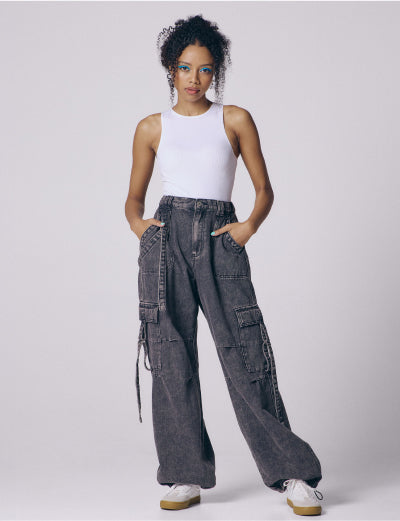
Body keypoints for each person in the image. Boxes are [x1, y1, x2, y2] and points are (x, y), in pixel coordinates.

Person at [125, 14, 324, 516]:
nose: (194, 79)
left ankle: (293, 474)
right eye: (185, 68)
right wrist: (141, 227)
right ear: (171, 68)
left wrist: (249, 226)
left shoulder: (234, 119)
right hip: (166, 243)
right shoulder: (151, 127)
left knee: (245, 353)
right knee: (170, 357)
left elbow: (264, 189)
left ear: (217, 71)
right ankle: (184, 474)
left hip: (220, 239)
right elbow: (133, 199)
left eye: (206, 69)